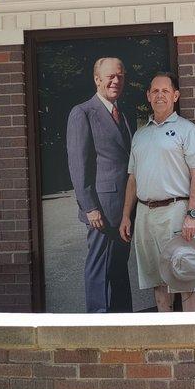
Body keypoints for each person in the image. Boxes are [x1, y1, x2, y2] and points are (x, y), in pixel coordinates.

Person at [119, 71, 195, 312]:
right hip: (146, 215)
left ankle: (190, 338)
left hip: (177, 212)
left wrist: (192, 214)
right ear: (148, 95)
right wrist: (127, 215)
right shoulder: (140, 134)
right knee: (157, 278)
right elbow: (133, 178)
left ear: (175, 95)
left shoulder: (187, 130)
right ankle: (167, 332)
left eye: (165, 91)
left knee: (186, 274)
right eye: (155, 91)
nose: (160, 95)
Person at [67, 57, 133, 313]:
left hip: (123, 209)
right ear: (97, 79)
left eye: (120, 76)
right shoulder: (82, 113)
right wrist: (89, 207)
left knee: (118, 267)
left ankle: (123, 320)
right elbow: (78, 165)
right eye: (110, 76)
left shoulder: (122, 114)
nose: (116, 81)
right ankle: (97, 320)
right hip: (101, 210)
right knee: (98, 268)